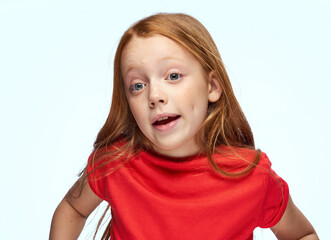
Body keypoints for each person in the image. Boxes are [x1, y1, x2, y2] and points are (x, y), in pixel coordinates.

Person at [49, 13, 318, 240]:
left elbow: (302, 235)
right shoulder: (115, 164)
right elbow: (73, 208)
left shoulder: (252, 177)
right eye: (138, 86)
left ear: (212, 87)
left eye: (173, 76)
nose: (154, 96)